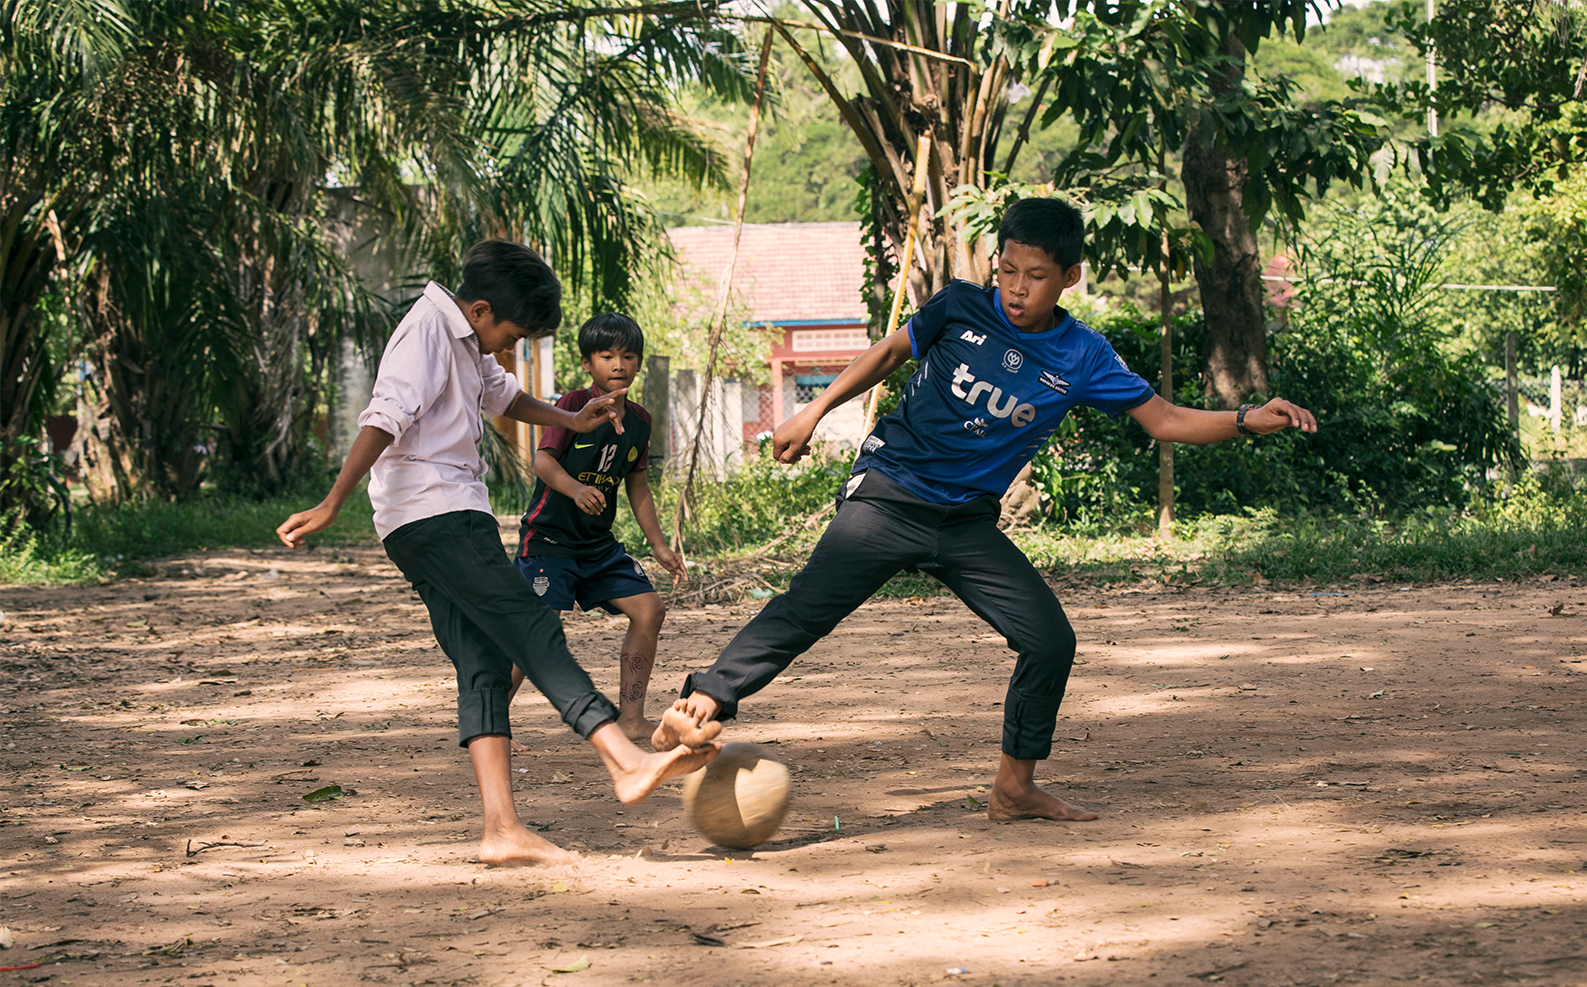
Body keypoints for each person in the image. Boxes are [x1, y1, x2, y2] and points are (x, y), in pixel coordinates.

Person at [656, 197, 1315, 821]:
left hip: (965, 523)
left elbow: (1165, 419)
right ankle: (702, 699)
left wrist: (1247, 418)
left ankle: (1014, 787)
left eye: (1035, 276)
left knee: (1049, 639)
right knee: (806, 609)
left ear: (1070, 278)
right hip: (890, 489)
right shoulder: (961, 308)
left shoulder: (1082, 356)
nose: (1017, 289)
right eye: (1006, 270)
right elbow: (890, 352)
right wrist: (814, 407)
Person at [276, 241, 718, 866]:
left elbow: (506, 398)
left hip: (449, 510)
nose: (508, 349)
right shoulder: (428, 330)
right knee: (530, 620)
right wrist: (330, 502)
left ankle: (501, 831)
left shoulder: (466, 337)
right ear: (480, 311)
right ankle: (623, 759)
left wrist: (581, 421)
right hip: (433, 511)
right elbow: (384, 416)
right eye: (510, 335)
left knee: (483, 661)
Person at [509, 313, 686, 740]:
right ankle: (490, 720)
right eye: (607, 356)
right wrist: (573, 489)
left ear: (639, 363)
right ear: (588, 363)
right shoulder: (572, 405)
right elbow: (542, 460)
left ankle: (630, 718)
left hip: (597, 546)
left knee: (649, 610)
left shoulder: (641, 421)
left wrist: (659, 545)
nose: (618, 364)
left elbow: (638, 485)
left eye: (628, 356)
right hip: (549, 542)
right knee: (538, 628)